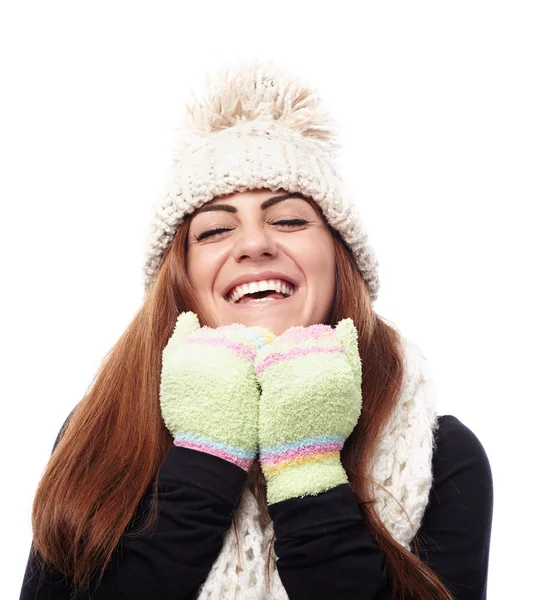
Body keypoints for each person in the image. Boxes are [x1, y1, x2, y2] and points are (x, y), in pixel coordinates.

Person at [19, 60, 493, 600]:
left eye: (289, 220)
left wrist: (305, 464)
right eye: (216, 229)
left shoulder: (445, 457)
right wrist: (206, 453)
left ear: (341, 261)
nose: (254, 244)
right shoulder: (103, 430)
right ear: (183, 282)